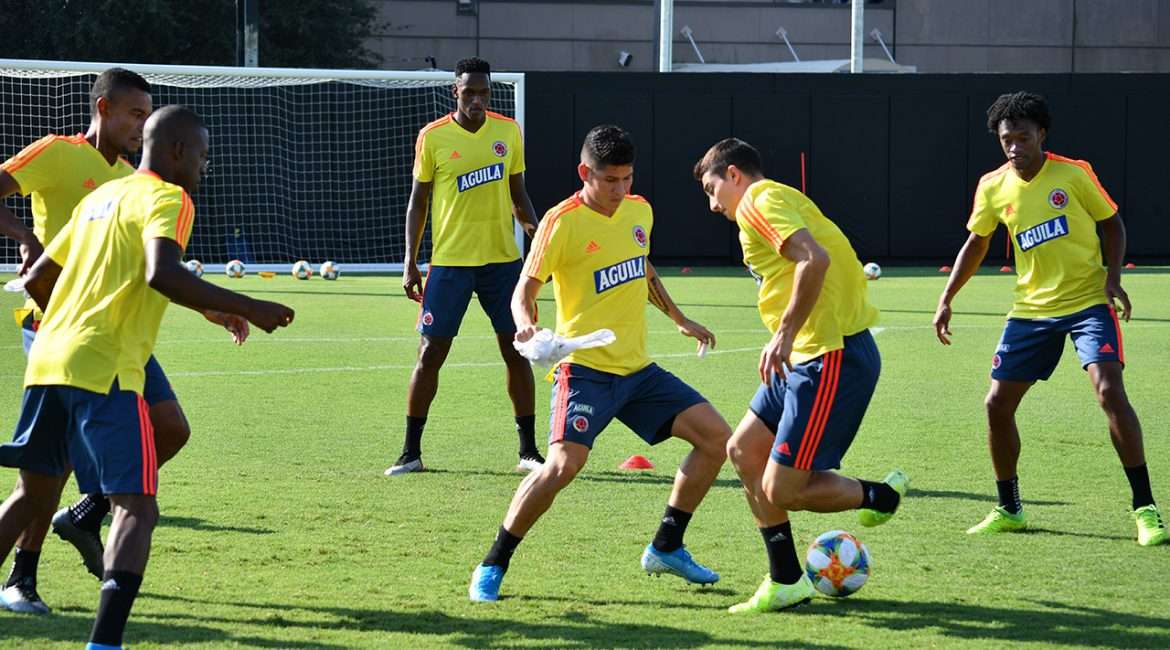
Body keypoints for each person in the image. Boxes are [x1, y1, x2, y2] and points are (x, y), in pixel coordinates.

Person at [0, 105, 295, 649]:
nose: (204, 169)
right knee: (137, 507)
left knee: (27, 497)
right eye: (202, 157)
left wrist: (71, 321)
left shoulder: (99, 197)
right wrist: (250, 305)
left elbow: (39, 276)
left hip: (47, 358)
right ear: (178, 150)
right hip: (106, 368)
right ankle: (105, 643)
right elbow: (163, 273)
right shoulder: (170, 197)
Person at [467, 125, 732, 602]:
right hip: (585, 372)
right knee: (563, 466)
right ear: (584, 172)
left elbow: (642, 266)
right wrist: (526, 326)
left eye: (627, 179)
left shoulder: (640, 210)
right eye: (610, 180)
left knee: (717, 440)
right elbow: (524, 290)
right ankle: (494, 562)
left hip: (639, 373)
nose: (620, 190)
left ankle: (667, 545)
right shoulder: (560, 221)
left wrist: (679, 317)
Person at [0, 68, 228, 614]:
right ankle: (21, 578)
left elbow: (144, 268)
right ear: (102, 108)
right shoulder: (56, 153)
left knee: (170, 428)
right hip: (57, 325)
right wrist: (27, 237)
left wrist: (213, 307)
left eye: (147, 115)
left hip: (115, 332)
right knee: (46, 473)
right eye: (132, 112)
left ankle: (85, 514)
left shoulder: (134, 178)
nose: (140, 123)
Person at [933, 91, 1165, 546]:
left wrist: (1112, 279)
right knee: (996, 404)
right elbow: (977, 243)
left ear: (1042, 134)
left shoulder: (1074, 174)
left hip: (1086, 303)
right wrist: (947, 296)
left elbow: (1112, 223)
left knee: (1108, 390)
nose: (1015, 147)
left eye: (1023, 137)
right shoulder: (992, 186)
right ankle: (1010, 508)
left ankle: (1146, 510)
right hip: (1030, 311)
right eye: (1006, 140)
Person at [694, 138, 907, 613]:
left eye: (712, 189)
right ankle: (786, 579)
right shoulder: (774, 199)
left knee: (783, 489)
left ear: (733, 174)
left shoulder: (758, 200)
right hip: (804, 354)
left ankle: (880, 496)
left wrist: (785, 334)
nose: (712, 204)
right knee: (743, 449)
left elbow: (816, 258)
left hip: (826, 354)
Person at [387, 57, 544, 476]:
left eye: (483, 92)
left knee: (517, 351)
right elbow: (418, 202)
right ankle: (410, 452)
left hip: (501, 264)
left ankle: (528, 451)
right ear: (455, 91)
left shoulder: (507, 132)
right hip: (450, 264)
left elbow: (519, 195)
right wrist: (410, 262)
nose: (476, 98)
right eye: (469, 91)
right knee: (430, 353)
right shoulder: (433, 137)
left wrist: (540, 240)